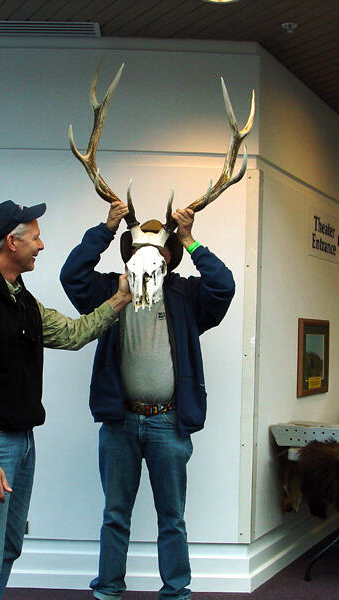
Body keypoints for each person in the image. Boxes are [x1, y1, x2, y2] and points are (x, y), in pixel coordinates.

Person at [0, 200, 132, 600]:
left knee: (6, 548)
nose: (41, 245)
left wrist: (119, 299)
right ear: (12, 242)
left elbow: (73, 334)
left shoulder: (20, 298)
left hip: (19, 442)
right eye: (36, 237)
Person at [60, 200, 236, 600]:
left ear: (168, 257)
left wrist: (190, 240)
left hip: (169, 425)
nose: (148, 256)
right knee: (115, 516)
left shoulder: (188, 296)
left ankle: (176, 592)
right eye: (139, 249)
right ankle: (108, 590)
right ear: (128, 253)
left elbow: (224, 285)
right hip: (119, 424)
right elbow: (71, 275)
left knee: (172, 518)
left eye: (157, 250)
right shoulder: (110, 290)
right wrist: (105, 229)